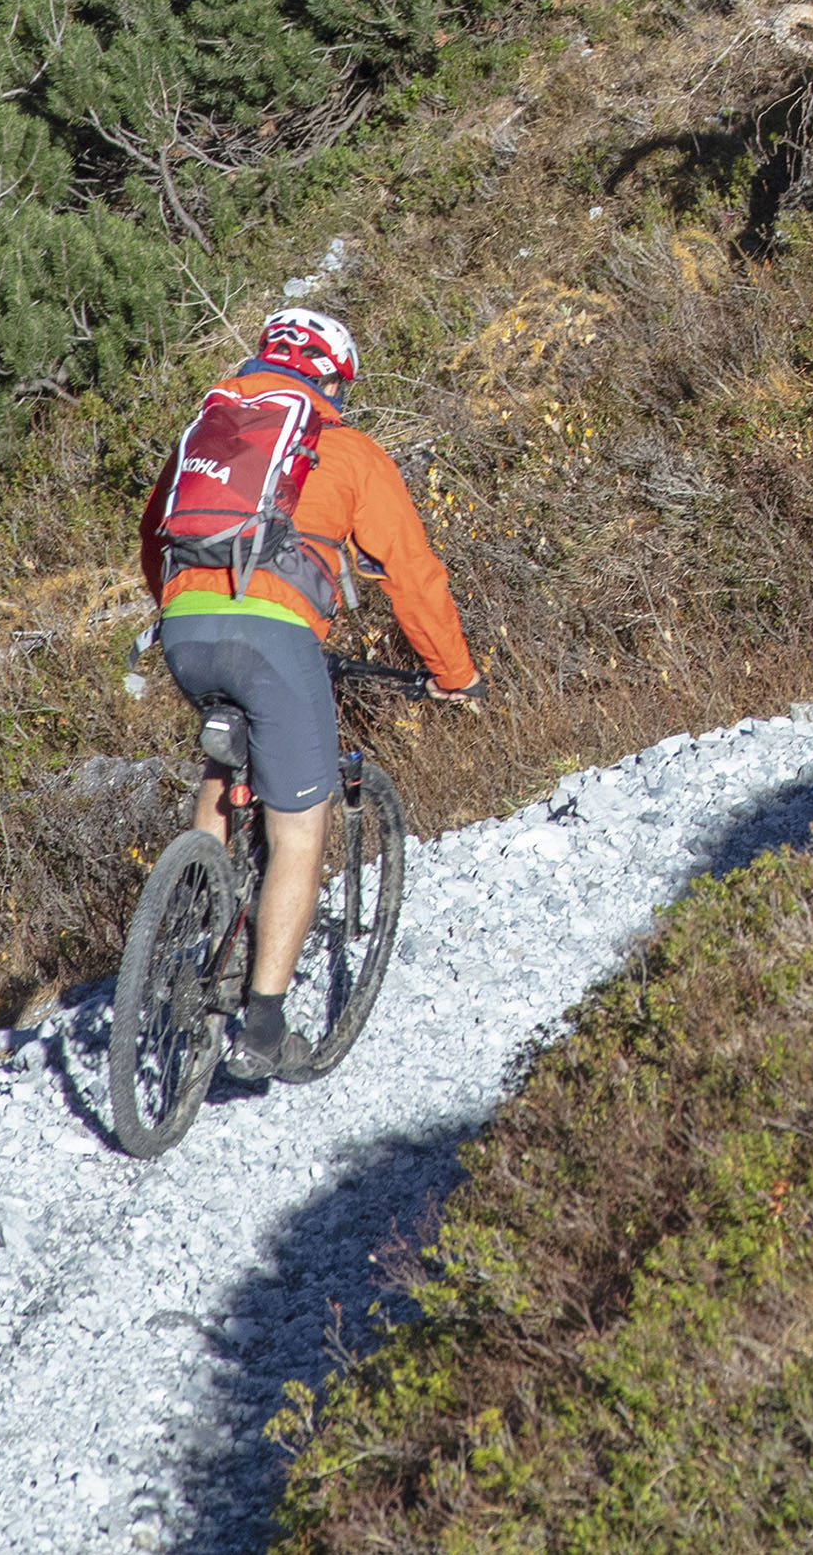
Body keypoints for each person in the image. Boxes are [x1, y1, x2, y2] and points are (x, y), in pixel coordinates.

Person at [141, 305, 474, 1077]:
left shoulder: (212, 432)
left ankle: (196, 903)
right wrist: (455, 674)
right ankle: (261, 1027)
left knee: (228, 768)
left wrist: (189, 606)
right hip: (276, 637)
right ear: (331, 380)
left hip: (184, 629)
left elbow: (154, 532)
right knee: (299, 824)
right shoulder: (347, 449)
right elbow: (412, 575)